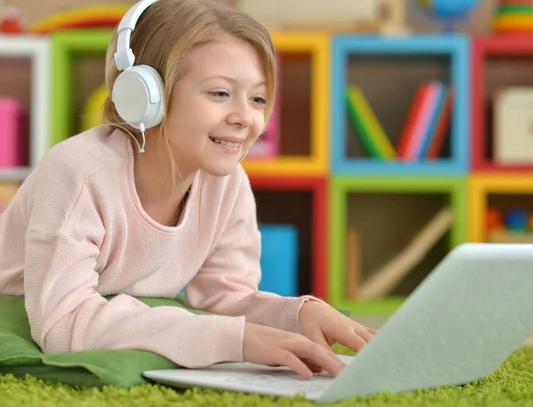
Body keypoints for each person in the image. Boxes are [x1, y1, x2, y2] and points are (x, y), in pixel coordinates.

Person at [0, 0, 376, 379]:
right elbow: (62, 321)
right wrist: (234, 340)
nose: (245, 117)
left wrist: (298, 314)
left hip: (108, 313)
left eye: (258, 98)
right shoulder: (78, 172)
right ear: (146, 95)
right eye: (219, 93)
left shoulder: (227, 185)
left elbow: (223, 297)